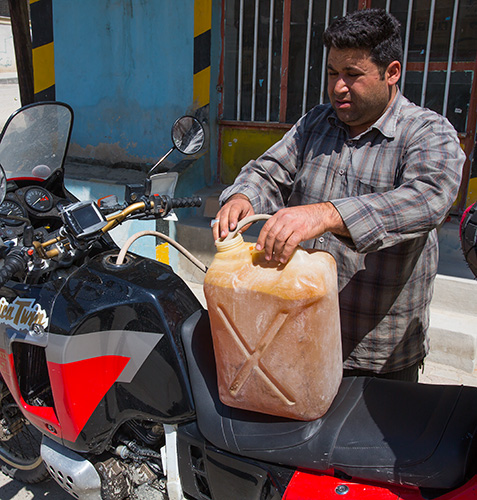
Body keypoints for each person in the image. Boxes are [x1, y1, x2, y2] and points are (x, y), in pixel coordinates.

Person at [212, 9, 466, 382]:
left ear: (391, 72)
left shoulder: (427, 133)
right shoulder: (316, 122)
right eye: (332, 73)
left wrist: (326, 215)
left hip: (376, 357)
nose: (338, 87)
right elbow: (268, 172)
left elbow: (428, 198)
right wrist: (243, 198)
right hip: (297, 331)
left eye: (353, 75)